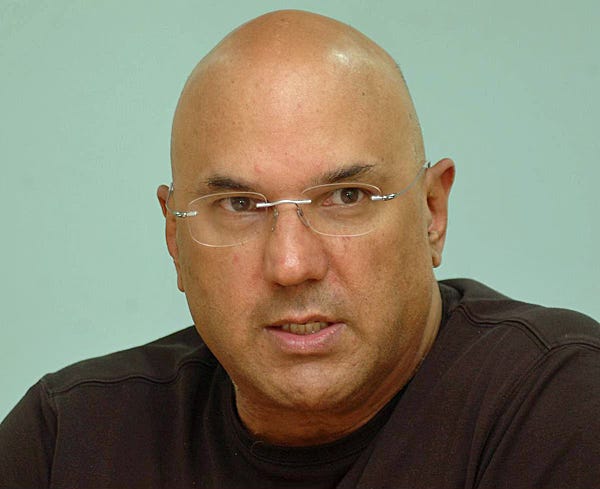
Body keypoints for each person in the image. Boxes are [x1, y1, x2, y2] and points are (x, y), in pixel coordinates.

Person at [1, 9, 599, 489]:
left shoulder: (561, 406)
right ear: (174, 238)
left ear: (431, 213)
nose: (291, 265)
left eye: (346, 197)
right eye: (240, 205)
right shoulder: (68, 442)